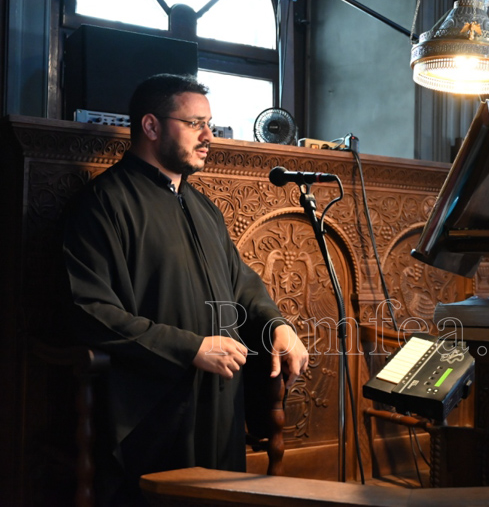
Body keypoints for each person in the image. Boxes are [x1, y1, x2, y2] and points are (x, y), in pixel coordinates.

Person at [62, 73, 309, 505]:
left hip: (219, 399)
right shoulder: (103, 202)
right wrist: (190, 348)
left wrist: (277, 325)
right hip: (152, 404)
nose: (208, 136)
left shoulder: (203, 207)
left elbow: (242, 284)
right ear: (151, 126)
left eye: (209, 124)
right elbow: (88, 308)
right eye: (195, 124)